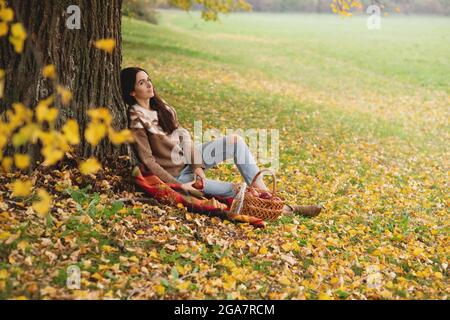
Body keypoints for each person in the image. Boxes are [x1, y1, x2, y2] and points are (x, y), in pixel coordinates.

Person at [120, 67, 322, 217]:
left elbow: (185, 138)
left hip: (189, 164)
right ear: (132, 92)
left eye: (148, 80)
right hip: (180, 178)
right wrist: (180, 187)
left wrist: (198, 166)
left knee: (235, 141)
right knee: (236, 191)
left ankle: (268, 197)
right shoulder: (137, 120)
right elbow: (149, 161)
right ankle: (289, 210)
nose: (149, 84)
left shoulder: (162, 106)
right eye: (141, 83)